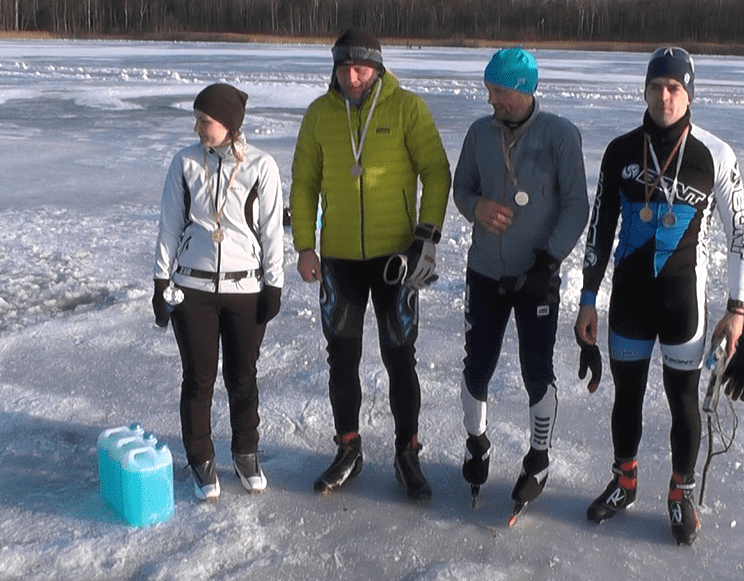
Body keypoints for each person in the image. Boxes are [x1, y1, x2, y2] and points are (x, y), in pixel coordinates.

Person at [575, 47, 744, 546]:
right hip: (629, 299)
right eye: (657, 87)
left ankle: (680, 494)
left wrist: (736, 310)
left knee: (683, 402)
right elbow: (600, 226)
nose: (665, 96)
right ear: (645, 90)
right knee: (626, 397)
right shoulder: (620, 151)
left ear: (689, 92)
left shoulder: (714, 154)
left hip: (684, 306)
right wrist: (588, 298)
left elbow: (741, 234)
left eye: (675, 87)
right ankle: (625, 481)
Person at [290, 29, 451, 500]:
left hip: (395, 258)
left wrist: (427, 236)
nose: (352, 77)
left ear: (378, 69)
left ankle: (407, 453)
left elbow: (436, 171)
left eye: (361, 69)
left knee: (400, 357)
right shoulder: (320, 115)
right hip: (339, 258)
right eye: (344, 68)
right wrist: (305, 245)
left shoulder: (407, 108)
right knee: (341, 358)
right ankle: (348, 449)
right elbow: (303, 182)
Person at [451, 48, 589, 514]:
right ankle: (477, 444)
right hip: (486, 271)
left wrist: (548, 262)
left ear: (525, 90)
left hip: (538, 276)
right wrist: (477, 209)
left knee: (536, 369)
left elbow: (577, 206)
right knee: (478, 366)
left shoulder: (560, 135)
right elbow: (462, 189)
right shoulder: (478, 133)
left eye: (499, 92)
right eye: (489, 90)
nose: (491, 100)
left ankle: (538, 456)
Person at [153, 83, 285, 501]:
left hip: (245, 288)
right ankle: (201, 458)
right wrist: (161, 281)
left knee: (243, 377)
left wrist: (274, 283)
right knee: (198, 378)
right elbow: (170, 225)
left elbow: (271, 232)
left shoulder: (262, 166)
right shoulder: (185, 163)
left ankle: (246, 452)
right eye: (197, 119)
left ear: (227, 124)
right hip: (192, 288)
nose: (196, 127)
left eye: (203, 120)